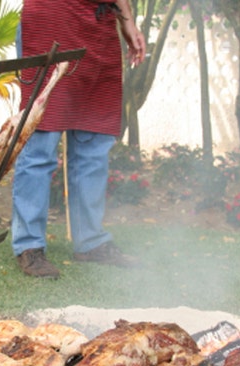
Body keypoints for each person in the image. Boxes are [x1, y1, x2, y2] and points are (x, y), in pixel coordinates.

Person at [10, 0, 146, 279]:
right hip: (52, 18)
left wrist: (127, 20)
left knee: (94, 140)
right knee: (41, 139)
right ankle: (29, 245)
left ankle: (91, 241)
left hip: (99, 24)